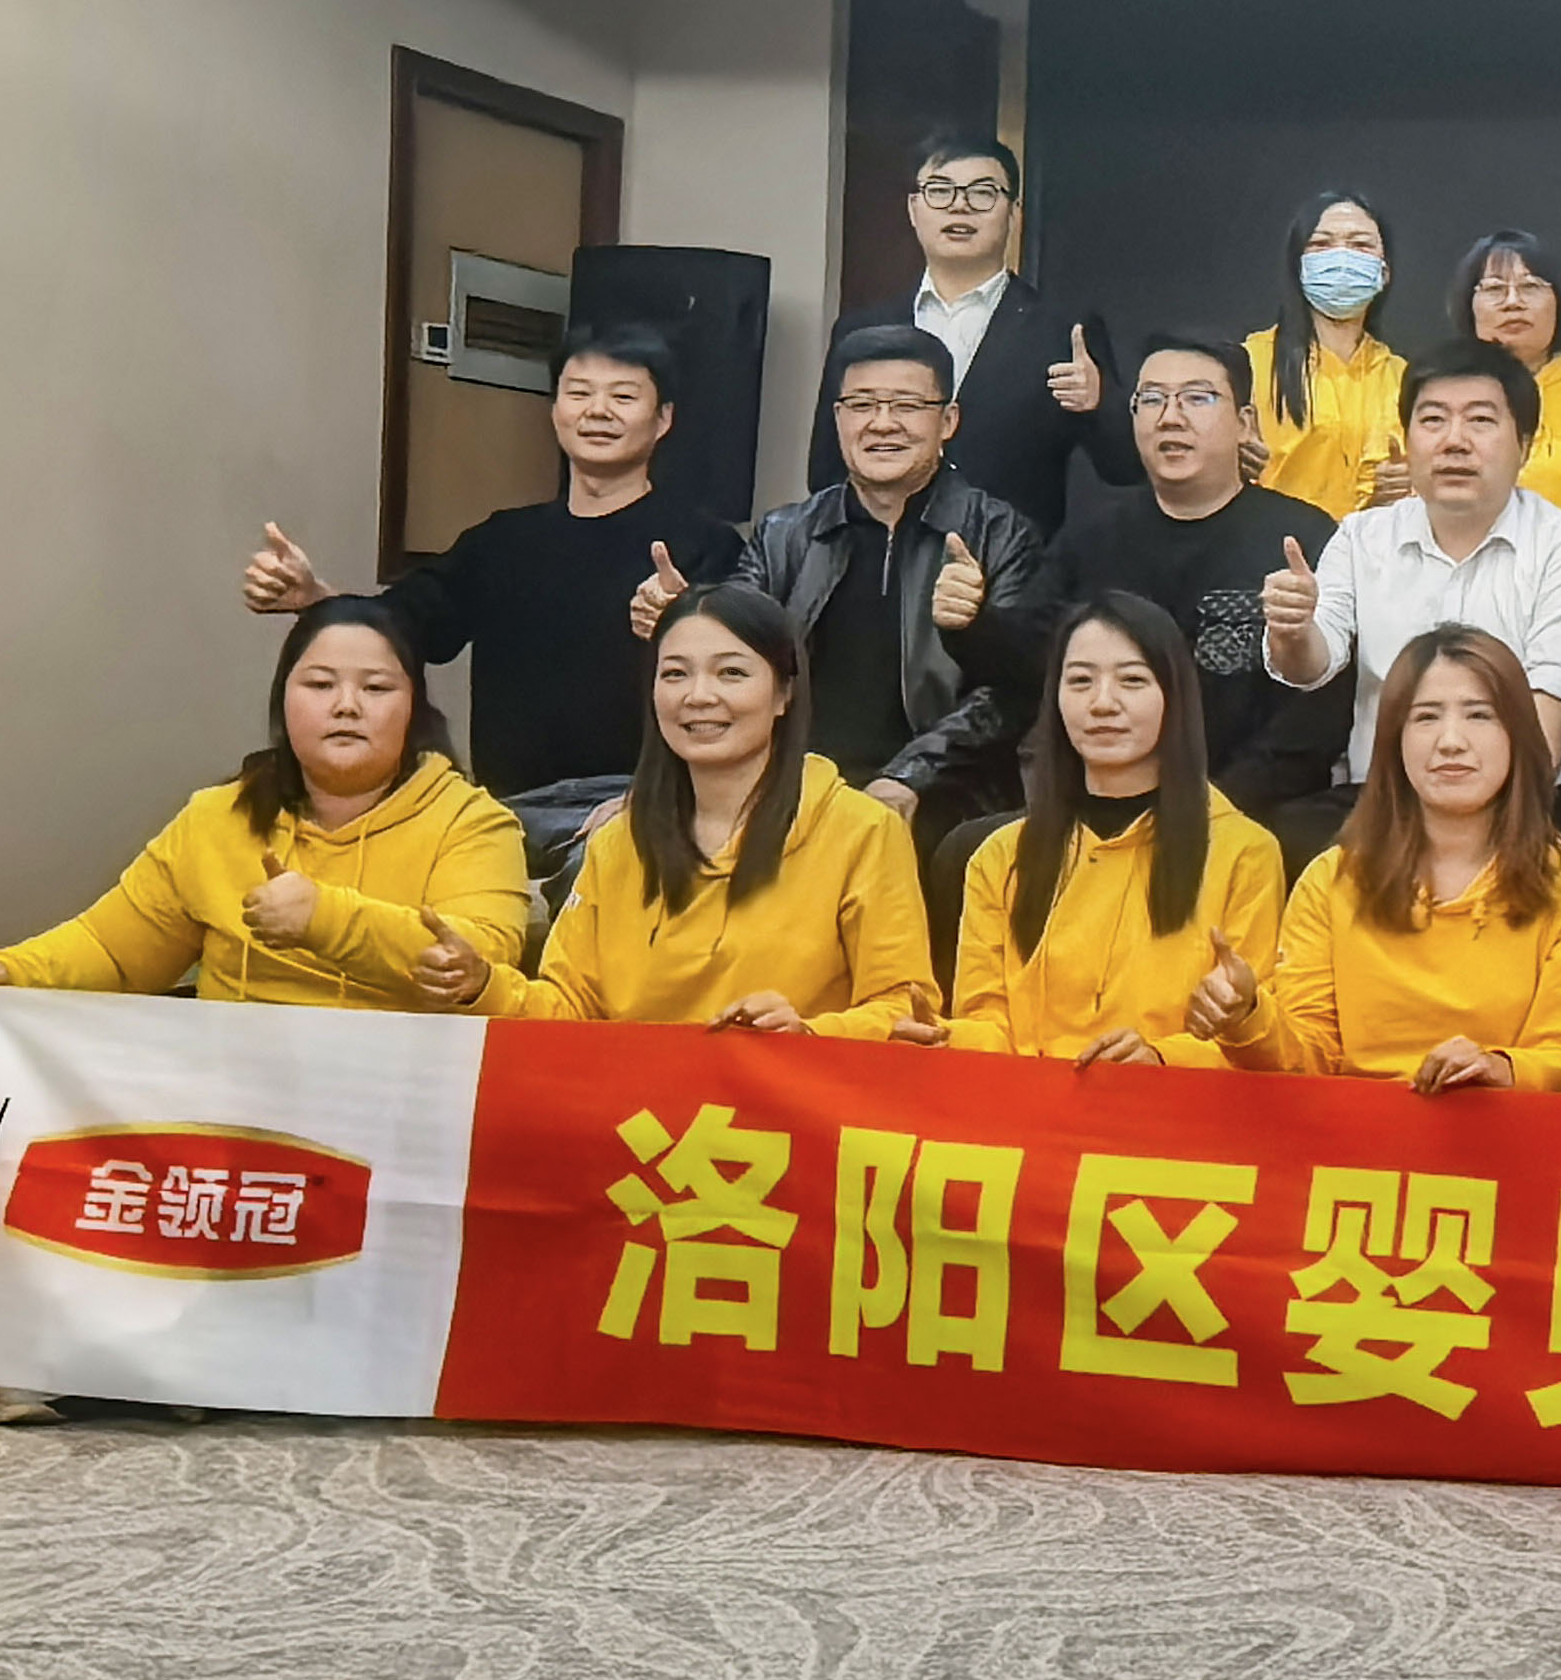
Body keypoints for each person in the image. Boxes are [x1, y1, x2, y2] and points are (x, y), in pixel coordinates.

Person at [238, 325, 743, 863]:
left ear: (663, 419)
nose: (597, 411)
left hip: (640, 805)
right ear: (555, 409)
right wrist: (313, 598)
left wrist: (686, 621)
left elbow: (743, 682)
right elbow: (400, 626)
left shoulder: (707, 545)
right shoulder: (501, 541)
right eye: (579, 393)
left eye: (623, 396)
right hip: (505, 810)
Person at [430, 583, 937, 1035]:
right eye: (675, 674)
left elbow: (903, 1007)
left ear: (784, 693)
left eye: (731, 673)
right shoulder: (619, 842)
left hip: (786, 1107)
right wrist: (483, 985)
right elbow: (571, 1010)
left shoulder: (862, 830)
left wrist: (806, 1033)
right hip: (643, 1107)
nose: (698, 696)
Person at [0, 598, 522, 1010]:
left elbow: (479, 959)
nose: (346, 706)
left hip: (397, 1097)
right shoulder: (218, 817)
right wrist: (8, 971)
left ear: (414, 710)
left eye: (376, 689)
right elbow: (112, 951)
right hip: (228, 1103)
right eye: (320, 685)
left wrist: (326, 919)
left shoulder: (471, 823)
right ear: (283, 702)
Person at [647, 325, 1044, 846]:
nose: (882, 423)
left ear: (948, 421)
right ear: (838, 418)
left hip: (944, 796)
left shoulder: (1000, 533)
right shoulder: (785, 534)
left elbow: (1013, 692)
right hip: (790, 788)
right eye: (861, 405)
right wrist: (686, 617)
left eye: (907, 405)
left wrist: (907, 779)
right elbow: (740, 654)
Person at [1225, 625, 1561, 1092]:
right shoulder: (1331, 879)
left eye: (1479, 715)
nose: (1450, 741)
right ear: (1394, 739)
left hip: (1504, 1128)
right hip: (1355, 1128)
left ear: (1519, 735)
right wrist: (1246, 1016)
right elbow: (1307, 1054)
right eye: (1426, 717)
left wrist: (1500, 1069)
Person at [1024, 336, 1356, 867]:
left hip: (1253, 812)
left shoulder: (1304, 537)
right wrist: (968, 625)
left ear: (1245, 423)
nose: (1170, 417)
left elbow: (1317, 719)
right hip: (1105, 803)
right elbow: (1030, 663)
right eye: (1152, 399)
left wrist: (1211, 809)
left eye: (1197, 398)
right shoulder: (1090, 537)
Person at [926, 591, 1283, 1067]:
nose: (1102, 703)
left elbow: (1257, 1053)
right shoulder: (1000, 856)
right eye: (1080, 681)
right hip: (1031, 1105)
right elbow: (986, 1023)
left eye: (1132, 680)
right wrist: (940, 1039)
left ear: (1174, 697)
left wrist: (1162, 1058)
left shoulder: (1244, 852)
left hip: (1168, 1108)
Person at [1260, 341, 1561, 818]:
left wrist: (1482, 826)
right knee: (1286, 833)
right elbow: (1311, 667)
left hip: (1525, 797)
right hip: (1387, 798)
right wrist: (1293, 630)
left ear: (1524, 445)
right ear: (1407, 441)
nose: (1454, 441)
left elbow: (1554, 689)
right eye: (1433, 420)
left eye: (1480, 420)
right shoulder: (1362, 536)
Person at [801, 135, 1127, 536]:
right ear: (913, 209)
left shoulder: (1063, 330)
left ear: (1014, 213)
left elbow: (1124, 469)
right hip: (880, 557)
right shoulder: (862, 330)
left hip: (1010, 561)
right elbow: (825, 473)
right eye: (940, 191)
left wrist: (1099, 403)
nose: (960, 205)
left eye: (983, 193)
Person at [1242, 187, 1413, 518]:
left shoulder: (1405, 378)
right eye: (1322, 244)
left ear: (1384, 271)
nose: (1342, 258)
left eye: (1361, 245)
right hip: (1275, 543)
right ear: (1299, 266)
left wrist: (1398, 490)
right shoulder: (1249, 364)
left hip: (1373, 546)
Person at [1447, 229, 1561, 526]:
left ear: (1560, 302)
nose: (1513, 302)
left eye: (1531, 287)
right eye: (1495, 289)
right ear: (1468, 305)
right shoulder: (1440, 392)